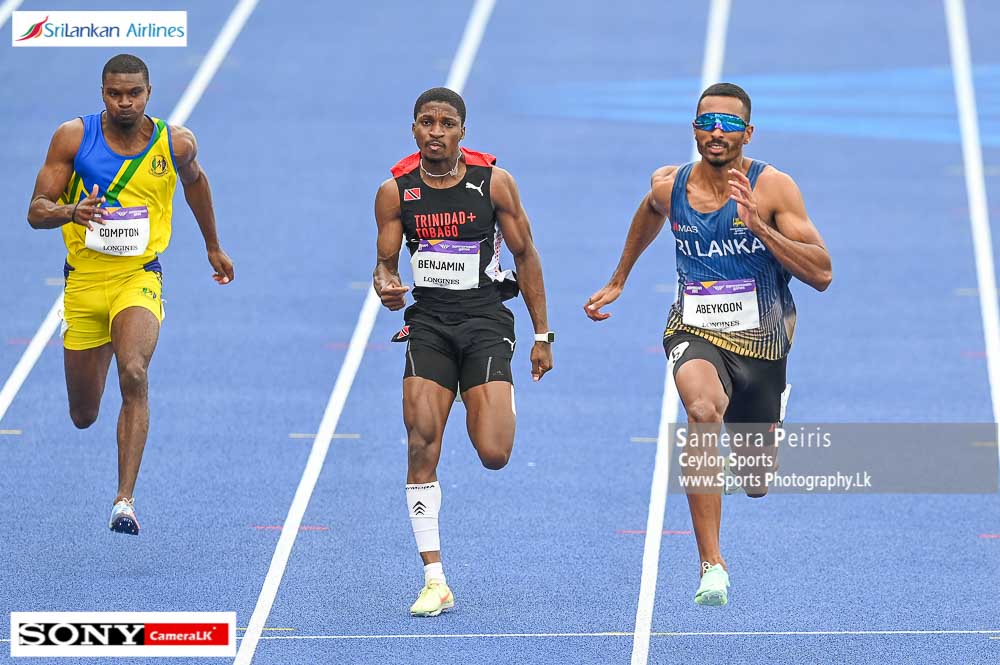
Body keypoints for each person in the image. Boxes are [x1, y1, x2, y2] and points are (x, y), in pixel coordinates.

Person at [584, 82, 831, 606]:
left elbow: (823, 273)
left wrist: (760, 228)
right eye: (707, 122)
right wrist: (620, 277)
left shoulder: (773, 189)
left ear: (748, 132)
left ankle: (771, 410)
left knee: (757, 480)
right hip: (693, 329)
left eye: (729, 124)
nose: (717, 132)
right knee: (700, 409)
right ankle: (712, 564)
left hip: (762, 342)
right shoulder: (668, 184)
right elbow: (651, 212)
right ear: (694, 127)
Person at [26, 54, 234, 536]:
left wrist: (213, 246)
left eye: (133, 94)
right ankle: (97, 366)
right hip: (83, 282)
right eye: (115, 93)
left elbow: (196, 185)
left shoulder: (174, 143)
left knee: (134, 371)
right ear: (102, 93)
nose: (124, 102)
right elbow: (36, 211)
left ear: (148, 93)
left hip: (138, 275)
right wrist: (71, 211)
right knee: (84, 414)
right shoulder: (73, 137)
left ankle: (124, 500)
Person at [373, 87, 554, 617]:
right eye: (426, 122)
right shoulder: (394, 193)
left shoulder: (494, 184)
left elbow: (526, 256)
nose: (436, 131)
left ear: (461, 132)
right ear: (413, 130)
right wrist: (385, 284)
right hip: (428, 323)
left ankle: (487, 395)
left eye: (446, 123)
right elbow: (384, 263)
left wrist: (542, 334)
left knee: (493, 453)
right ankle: (434, 577)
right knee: (421, 439)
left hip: (485, 321)